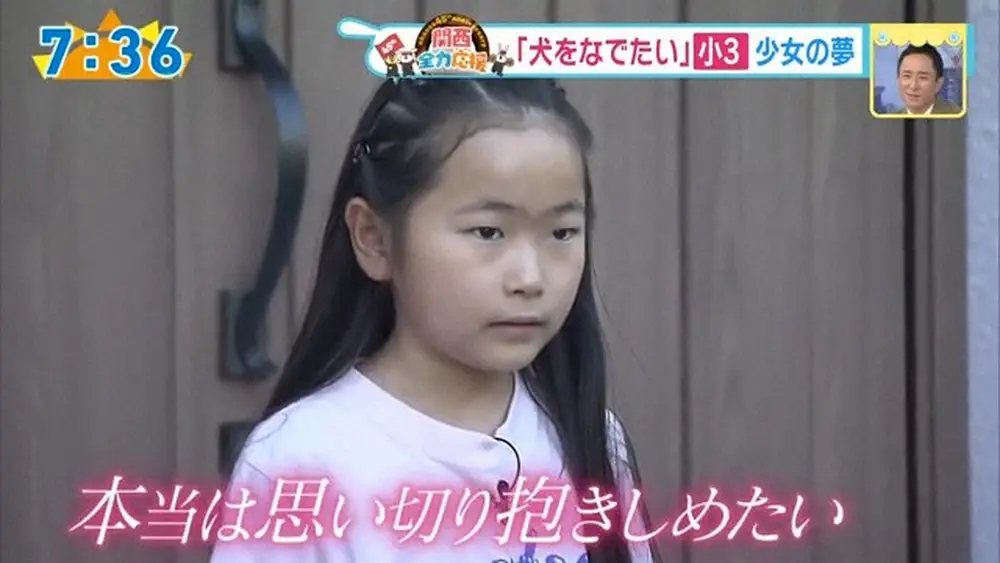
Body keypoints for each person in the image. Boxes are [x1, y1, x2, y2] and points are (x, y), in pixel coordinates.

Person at [209, 79, 662, 563]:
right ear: (375, 239)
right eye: (488, 231)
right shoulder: (300, 462)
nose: (530, 278)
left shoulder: (592, 436)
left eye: (562, 232)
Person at [894, 43, 961, 115]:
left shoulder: (957, 115)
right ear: (898, 79)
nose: (913, 86)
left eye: (922, 77)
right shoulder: (892, 118)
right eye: (907, 76)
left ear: (938, 84)